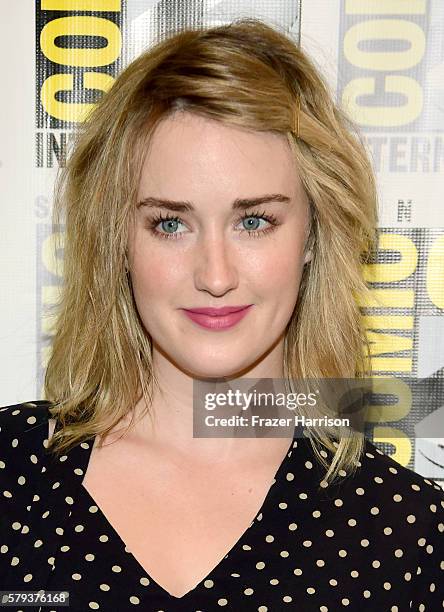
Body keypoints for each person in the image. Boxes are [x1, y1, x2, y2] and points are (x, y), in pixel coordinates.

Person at [1, 18, 443, 612]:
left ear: (313, 234)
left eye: (254, 221)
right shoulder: (12, 472)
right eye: (171, 224)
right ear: (118, 241)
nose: (215, 275)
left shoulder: (410, 534)